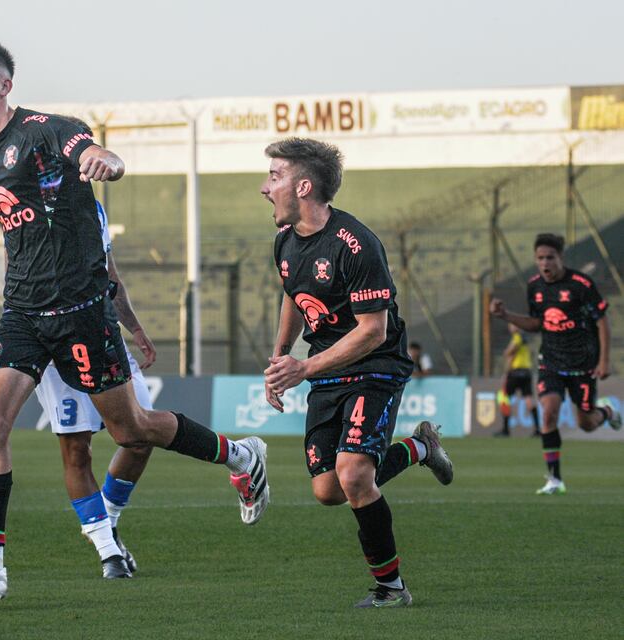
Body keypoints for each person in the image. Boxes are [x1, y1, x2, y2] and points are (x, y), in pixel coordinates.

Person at [0, 41, 268, 600]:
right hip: (22, 311)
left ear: (5, 84)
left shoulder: (48, 130)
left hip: (81, 310)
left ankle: (241, 454)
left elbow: (97, 153)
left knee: (132, 429)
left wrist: (107, 163)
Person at [260, 138, 454, 608]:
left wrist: (302, 366)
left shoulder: (357, 243)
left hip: (374, 367)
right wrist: (279, 356)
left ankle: (391, 588)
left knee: (352, 475)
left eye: (275, 176)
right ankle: (419, 447)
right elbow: (292, 292)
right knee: (329, 490)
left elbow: (372, 331)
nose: (265, 188)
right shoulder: (285, 241)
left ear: (303, 186)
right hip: (326, 369)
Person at [35, 192, 155, 579]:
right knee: (76, 448)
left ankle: (108, 520)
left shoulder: (96, 207)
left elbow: (110, 276)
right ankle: (109, 553)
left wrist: (134, 327)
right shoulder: (25, 200)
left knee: (141, 434)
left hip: (102, 332)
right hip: (54, 336)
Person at [490, 233, 620, 495]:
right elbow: (538, 323)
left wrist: (604, 361)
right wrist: (506, 315)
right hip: (550, 361)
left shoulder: (581, 285)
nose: (545, 263)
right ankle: (554, 479)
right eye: (540, 258)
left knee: (586, 423)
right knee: (549, 412)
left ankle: (607, 413)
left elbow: (602, 321)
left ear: (561, 258)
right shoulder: (535, 287)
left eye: (550, 257)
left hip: (583, 363)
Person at [496, 323, 540, 437]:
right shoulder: (526, 339)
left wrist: (506, 353)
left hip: (515, 372)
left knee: (504, 398)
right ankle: (538, 429)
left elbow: (510, 352)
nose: (511, 327)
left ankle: (505, 430)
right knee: (529, 399)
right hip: (527, 372)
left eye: (512, 325)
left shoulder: (517, 337)